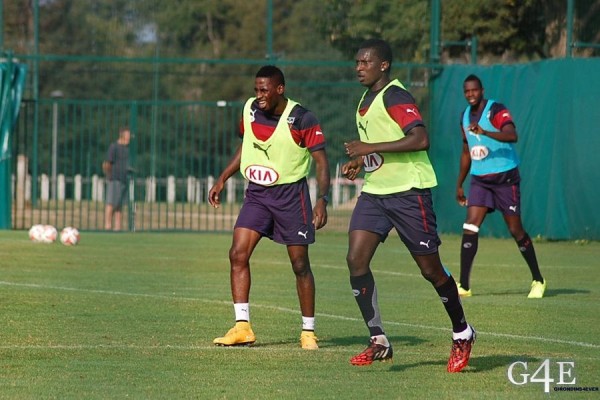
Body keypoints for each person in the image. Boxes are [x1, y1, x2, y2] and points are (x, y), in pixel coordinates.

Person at [341, 39, 475, 373]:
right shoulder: (366, 98)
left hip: (409, 193)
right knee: (356, 259)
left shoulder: (396, 95)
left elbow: (420, 138)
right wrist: (362, 160)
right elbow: (380, 149)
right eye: (357, 61)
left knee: (430, 270)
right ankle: (379, 341)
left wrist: (368, 146)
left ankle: (462, 331)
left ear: (383, 65)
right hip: (376, 193)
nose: (359, 67)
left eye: (365, 62)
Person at [208, 65, 330, 350]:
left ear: (280, 89)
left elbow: (322, 161)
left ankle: (308, 332)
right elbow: (246, 145)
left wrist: (323, 199)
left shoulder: (302, 118)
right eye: (256, 90)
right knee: (237, 253)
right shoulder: (250, 110)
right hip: (257, 195)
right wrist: (223, 177)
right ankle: (242, 328)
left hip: (291, 196)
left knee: (300, 265)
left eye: (264, 90)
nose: (259, 95)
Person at [455, 74, 546, 299]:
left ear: (482, 90)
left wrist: (485, 132)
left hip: (505, 178)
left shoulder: (495, 110)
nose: (470, 95)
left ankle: (538, 279)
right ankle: (464, 286)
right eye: (466, 91)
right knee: (470, 227)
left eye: (474, 90)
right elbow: (467, 151)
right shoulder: (465, 117)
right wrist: (459, 183)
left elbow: (512, 135)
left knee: (516, 230)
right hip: (480, 180)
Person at [103, 126, 131, 231]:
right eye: (128, 135)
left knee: (119, 205)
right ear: (122, 135)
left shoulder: (128, 149)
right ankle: (108, 225)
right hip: (115, 178)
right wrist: (109, 175)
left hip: (124, 179)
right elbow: (107, 163)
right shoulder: (114, 147)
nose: (129, 137)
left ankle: (118, 227)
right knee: (111, 203)